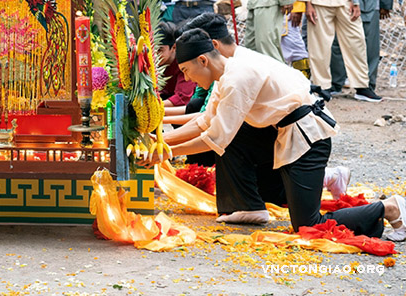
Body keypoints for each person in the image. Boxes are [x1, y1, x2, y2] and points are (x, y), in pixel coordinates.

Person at [159, 28, 405, 241]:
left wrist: (164, 152)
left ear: (203, 60)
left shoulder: (236, 77)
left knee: (309, 225)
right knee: (237, 137)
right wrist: (160, 141)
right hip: (280, 135)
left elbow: (215, 139)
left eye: (186, 70)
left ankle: (390, 207)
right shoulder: (226, 72)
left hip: (308, 138)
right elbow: (206, 121)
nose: (187, 77)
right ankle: (249, 206)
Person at [157, 21, 196, 108]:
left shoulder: (184, 63)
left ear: (173, 47)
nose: (155, 55)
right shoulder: (148, 61)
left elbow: (182, 98)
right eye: (152, 49)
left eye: (159, 50)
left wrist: (152, 107)